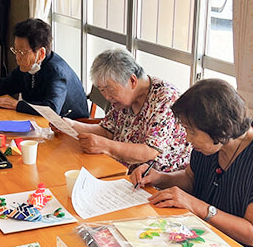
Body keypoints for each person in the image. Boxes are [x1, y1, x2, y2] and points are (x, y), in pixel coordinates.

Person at [132, 79, 253, 247]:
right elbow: (191, 179)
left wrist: (196, 206)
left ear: (220, 129)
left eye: (192, 131)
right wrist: (160, 178)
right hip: (215, 237)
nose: (188, 139)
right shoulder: (210, 144)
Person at [61, 49, 191, 173]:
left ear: (132, 80)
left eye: (110, 89)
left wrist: (106, 146)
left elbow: (149, 152)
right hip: (122, 168)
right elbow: (107, 132)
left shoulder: (164, 98)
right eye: (102, 90)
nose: (107, 96)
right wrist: (72, 126)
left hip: (155, 181)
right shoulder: (122, 101)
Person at [0, 18, 89, 118]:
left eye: (22, 52)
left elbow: (52, 109)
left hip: (71, 128)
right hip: (40, 122)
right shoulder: (30, 65)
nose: (17, 57)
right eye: (16, 50)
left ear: (41, 53)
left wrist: (16, 105)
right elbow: (9, 82)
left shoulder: (56, 72)